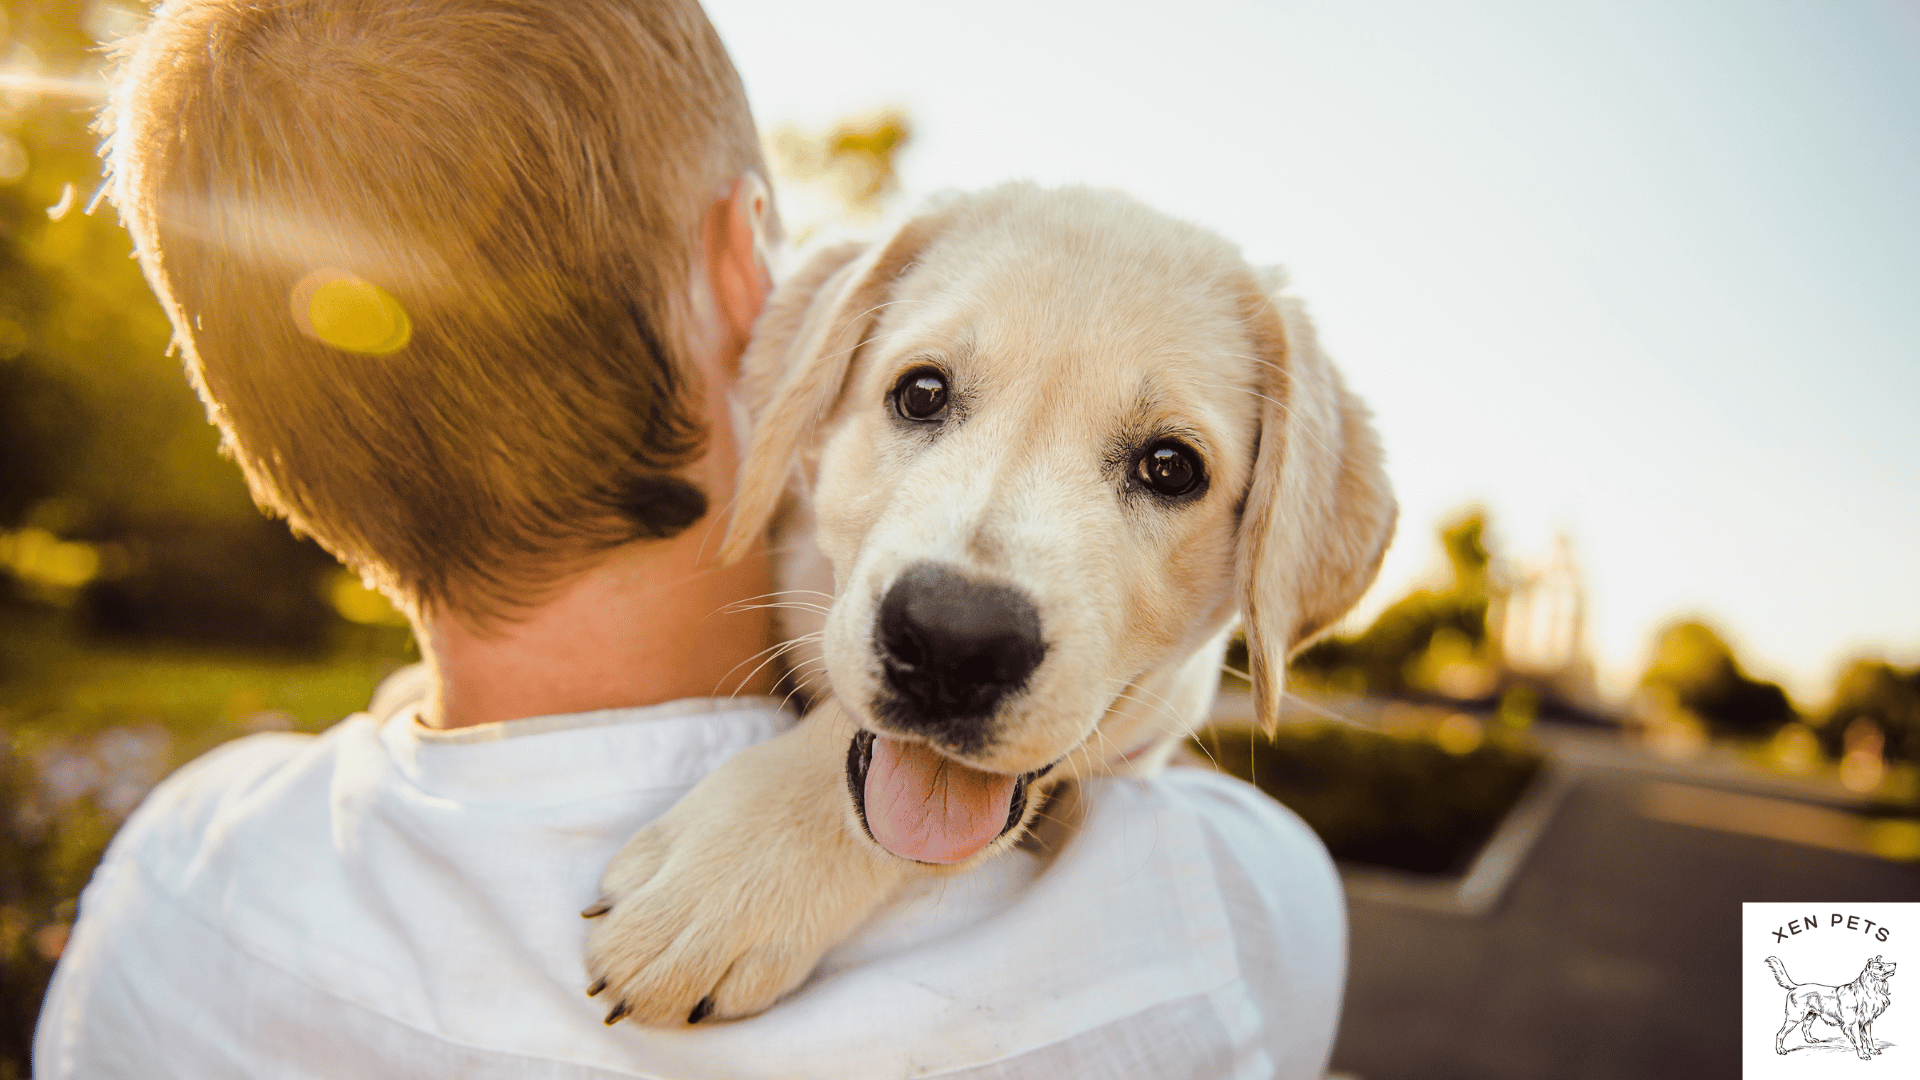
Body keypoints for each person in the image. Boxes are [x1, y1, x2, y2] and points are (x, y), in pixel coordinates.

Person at [34, 1, 1347, 1076]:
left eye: (1165, 467)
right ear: (754, 289)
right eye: (926, 397)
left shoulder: (170, 880)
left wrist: (829, 801)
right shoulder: (1222, 924)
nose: (970, 581)